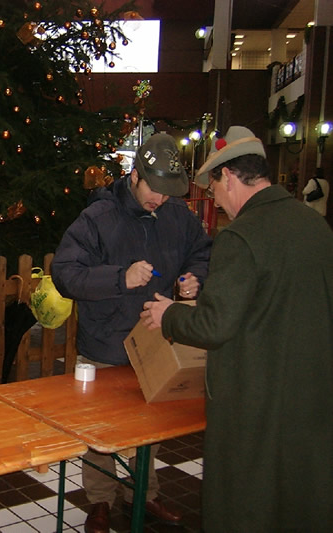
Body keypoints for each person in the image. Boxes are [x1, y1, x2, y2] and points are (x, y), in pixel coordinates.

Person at [141, 126, 333, 533]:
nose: (217, 203)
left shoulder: (242, 235)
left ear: (227, 176)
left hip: (255, 401)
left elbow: (214, 326)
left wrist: (170, 315)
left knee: (247, 502)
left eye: (214, 191)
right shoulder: (315, 226)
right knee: (299, 499)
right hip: (312, 396)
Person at [51, 133, 212, 533]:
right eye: (154, 190)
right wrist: (119, 277)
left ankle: (144, 493)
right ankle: (100, 503)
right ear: (135, 175)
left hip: (157, 340)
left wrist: (197, 278)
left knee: (151, 427)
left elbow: (202, 251)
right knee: (102, 430)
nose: (160, 199)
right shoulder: (98, 217)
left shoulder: (177, 215)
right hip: (105, 344)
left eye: (168, 193)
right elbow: (65, 274)